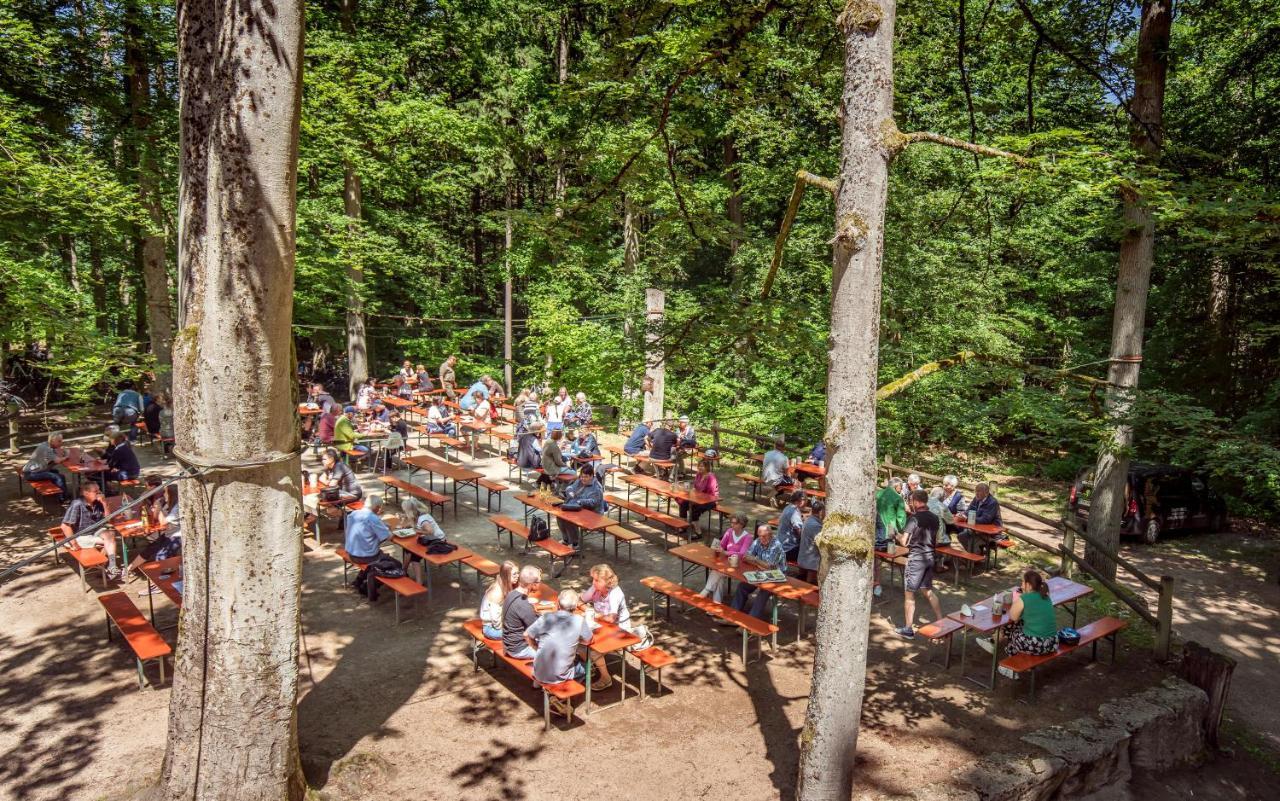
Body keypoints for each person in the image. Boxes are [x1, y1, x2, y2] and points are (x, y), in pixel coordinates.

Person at [978, 570, 1059, 680]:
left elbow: (1013, 616)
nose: (1021, 585)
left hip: (1038, 645)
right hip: (1053, 643)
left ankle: (1009, 667)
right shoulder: (1045, 597)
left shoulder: (1025, 598)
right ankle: (994, 641)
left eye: (1022, 582)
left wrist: (1020, 600)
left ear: (1029, 585)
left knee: (1013, 631)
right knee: (1017, 626)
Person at [524, 589, 594, 714]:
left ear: (557, 603)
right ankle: (561, 699)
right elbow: (589, 640)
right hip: (559, 675)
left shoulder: (547, 617)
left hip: (538, 670)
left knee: (566, 658)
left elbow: (527, 634)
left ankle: (548, 691)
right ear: (575, 606)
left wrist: (535, 647)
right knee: (587, 669)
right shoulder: (579, 621)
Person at [895, 489, 944, 639]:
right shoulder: (935, 518)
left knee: (909, 594)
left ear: (916, 501)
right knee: (927, 591)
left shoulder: (914, 519)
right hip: (930, 558)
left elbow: (904, 542)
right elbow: (937, 539)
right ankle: (941, 621)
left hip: (916, 559)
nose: (910, 504)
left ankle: (908, 629)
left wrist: (895, 534)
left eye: (911, 501)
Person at [580, 563, 630, 690]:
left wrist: (595, 614)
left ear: (607, 581)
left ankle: (606, 679)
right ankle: (591, 667)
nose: (594, 582)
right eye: (593, 579)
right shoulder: (596, 588)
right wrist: (588, 606)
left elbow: (611, 619)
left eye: (597, 580)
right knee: (579, 643)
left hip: (620, 631)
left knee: (593, 650)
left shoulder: (615, 594)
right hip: (602, 627)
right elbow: (581, 600)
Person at [127, 477, 182, 589]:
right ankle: (129, 569)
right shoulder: (168, 503)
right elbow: (155, 518)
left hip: (177, 536)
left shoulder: (177, 507)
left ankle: (159, 584)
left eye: (166, 493)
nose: (164, 495)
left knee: (160, 555)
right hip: (168, 534)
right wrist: (157, 508)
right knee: (150, 548)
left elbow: (162, 523)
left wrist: (159, 507)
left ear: (171, 494)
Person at [61, 482, 120, 580]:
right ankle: (103, 567)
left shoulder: (98, 502)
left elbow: (109, 520)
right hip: (80, 535)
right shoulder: (77, 504)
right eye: (95, 492)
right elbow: (65, 526)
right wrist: (74, 543)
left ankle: (112, 566)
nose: (99, 493)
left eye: (99, 491)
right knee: (109, 542)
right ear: (86, 493)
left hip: (95, 531)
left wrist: (104, 504)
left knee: (110, 535)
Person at [729, 524, 788, 620]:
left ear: (771, 535)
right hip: (761, 573)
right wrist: (759, 563)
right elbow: (745, 557)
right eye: (759, 536)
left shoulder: (776, 545)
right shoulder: (757, 541)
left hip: (777, 576)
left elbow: (769, 566)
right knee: (742, 586)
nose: (761, 538)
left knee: (764, 591)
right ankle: (732, 617)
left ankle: (750, 623)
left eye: (764, 536)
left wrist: (755, 560)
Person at [344, 495, 394, 601]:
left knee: (380, 556)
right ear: (376, 507)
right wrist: (388, 528)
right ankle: (369, 585)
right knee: (392, 563)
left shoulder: (354, 513)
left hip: (351, 552)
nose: (380, 509)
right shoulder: (372, 518)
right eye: (380, 507)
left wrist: (381, 524)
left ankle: (359, 580)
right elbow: (388, 537)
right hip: (366, 556)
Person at [700, 514, 753, 603]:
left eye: (734, 523)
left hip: (738, 565)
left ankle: (706, 590)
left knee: (717, 571)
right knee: (719, 578)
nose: (732, 525)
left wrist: (725, 552)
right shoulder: (729, 531)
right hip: (726, 563)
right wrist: (717, 547)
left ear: (741, 524)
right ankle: (716, 604)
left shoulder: (748, 537)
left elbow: (742, 554)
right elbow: (722, 544)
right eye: (731, 522)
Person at [558, 464, 605, 550]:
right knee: (560, 516)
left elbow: (593, 503)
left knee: (570, 519)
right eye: (582, 476)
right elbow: (570, 487)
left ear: (591, 476)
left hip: (593, 513)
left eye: (586, 477)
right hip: (579, 508)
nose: (583, 479)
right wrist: (570, 492)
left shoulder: (597, 488)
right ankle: (566, 539)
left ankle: (575, 544)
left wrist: (581, 501)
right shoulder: (580, 481)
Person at [502, 565, 543, 658]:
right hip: (519, 649)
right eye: (539, 582)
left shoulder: (512, 594)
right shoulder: (523, 604)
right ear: (533, 584)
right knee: (555, 653)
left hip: (509, 643)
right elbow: (538, 629)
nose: (540, 584)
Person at [23, 431, 70, 502]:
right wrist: (66, 456)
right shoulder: (47, 449)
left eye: (61, 441)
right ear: (52, 441)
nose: (61, 443)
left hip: (34, 470)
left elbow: (54, 461)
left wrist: (63, 456)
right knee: (57, 477)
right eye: (59, 441)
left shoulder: (46, 445)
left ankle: (62, 493)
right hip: (31, 473)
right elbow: (57, 460)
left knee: (57, 473)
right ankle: (62, 498)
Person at [959, 482, 1004, 554]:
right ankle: (977, 556)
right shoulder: (976, 499)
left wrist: (967, 519)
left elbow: (985, 520)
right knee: (962, 536)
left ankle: (976, 558)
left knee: (972, 538)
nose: (976, 493)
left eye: (978, 491)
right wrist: (963, 515)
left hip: (991, 532)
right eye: (975, 491)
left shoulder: (992, 502)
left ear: (986, 492)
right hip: (977, 529)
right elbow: (969, 510)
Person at [479, 560, 519, 640]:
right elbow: (496, 623)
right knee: (523, 633)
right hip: (491, 629)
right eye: (514, 574)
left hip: (501, 621)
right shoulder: (497, 592)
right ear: (506, 576)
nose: (517, 576)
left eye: (518, 572)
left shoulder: (504, 584)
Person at [676, 459, 719, 534]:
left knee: (695, 509)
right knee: (683, 503)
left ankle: (698, 532)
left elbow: (711, 493)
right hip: (698, 498)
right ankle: (683, 526)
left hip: (710, 500)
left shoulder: (711, 477)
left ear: (707, 467)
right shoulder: (699, 474)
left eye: (702, 466)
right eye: (699, 466)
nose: (700, 468)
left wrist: (697, 496)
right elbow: (695, 487)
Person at [776, 489, 808, 563]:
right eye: (806, 500)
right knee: (812, 551)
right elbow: (800, 532)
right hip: (788, 550)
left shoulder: (788, 507)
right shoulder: (795, 512)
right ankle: (804, 573)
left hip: (781, 546)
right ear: (801, 501)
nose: (807, 502)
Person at [796, 500, 824, 584]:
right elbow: (822, 544)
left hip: (803, 558)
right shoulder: (815, 525)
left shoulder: (808, 520)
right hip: (810, 562)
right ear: (821, 512)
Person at [760, 439, 795, 504]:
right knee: (792, 482)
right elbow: (787, 473)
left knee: (782, 480)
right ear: (783, 448)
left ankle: (773, 496)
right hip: (774, 481)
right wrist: (791, 478)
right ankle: (771, 496)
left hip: (764, 478)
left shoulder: (767, 453)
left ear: (774, 445)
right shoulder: (784, 458)